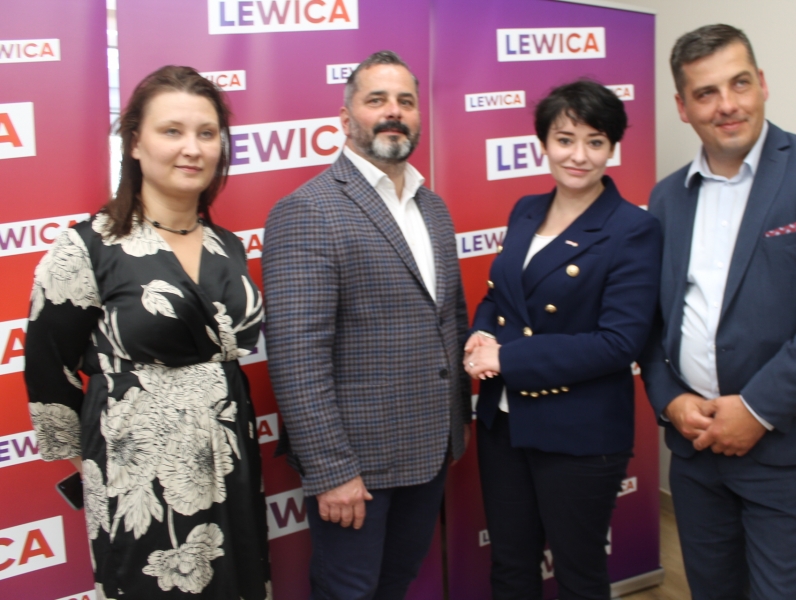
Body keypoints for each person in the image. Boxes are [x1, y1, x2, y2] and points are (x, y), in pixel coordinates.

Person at [639, 24, 796, 600]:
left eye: (740, 83)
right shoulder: (667, 197)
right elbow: (651, 319)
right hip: (696, 451)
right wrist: (669, 398)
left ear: (763, 84)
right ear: (682, 107)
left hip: (791, 451)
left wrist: (757, 409)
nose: (727, 105)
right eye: (706, 93)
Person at [24, 66, 271, 599]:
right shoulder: (87, 248)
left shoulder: (228, 247)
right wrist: (106, 469)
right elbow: (48, 375)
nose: (192, 148)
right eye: (172, 131)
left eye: (207, 133)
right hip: (139, 484)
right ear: (135, 143)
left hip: (231, 467)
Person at [262, 50, 470, 600]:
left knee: (396, 584)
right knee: (347, 592)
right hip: (355, 467)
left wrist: (458, 424)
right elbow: (297, 357)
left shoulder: (434, 209)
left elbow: (450, 318)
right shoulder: (307, 210)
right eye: (376, 99)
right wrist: (331, 470)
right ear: (345, 116)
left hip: (430, 450)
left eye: (405, 101)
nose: (393, 111)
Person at [464, 79, 662, 600]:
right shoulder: (526, 209)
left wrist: (506, 357)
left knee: (579, 576)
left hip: (580, 431)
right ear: (543, 143)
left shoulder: (632, 228)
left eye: (595, 142)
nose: (578, 155)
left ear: (612, 148)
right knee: (510, 567)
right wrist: (481, 330)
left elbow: (618, 343)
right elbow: (500, 295)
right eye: (565, 139)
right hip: (504, 422)